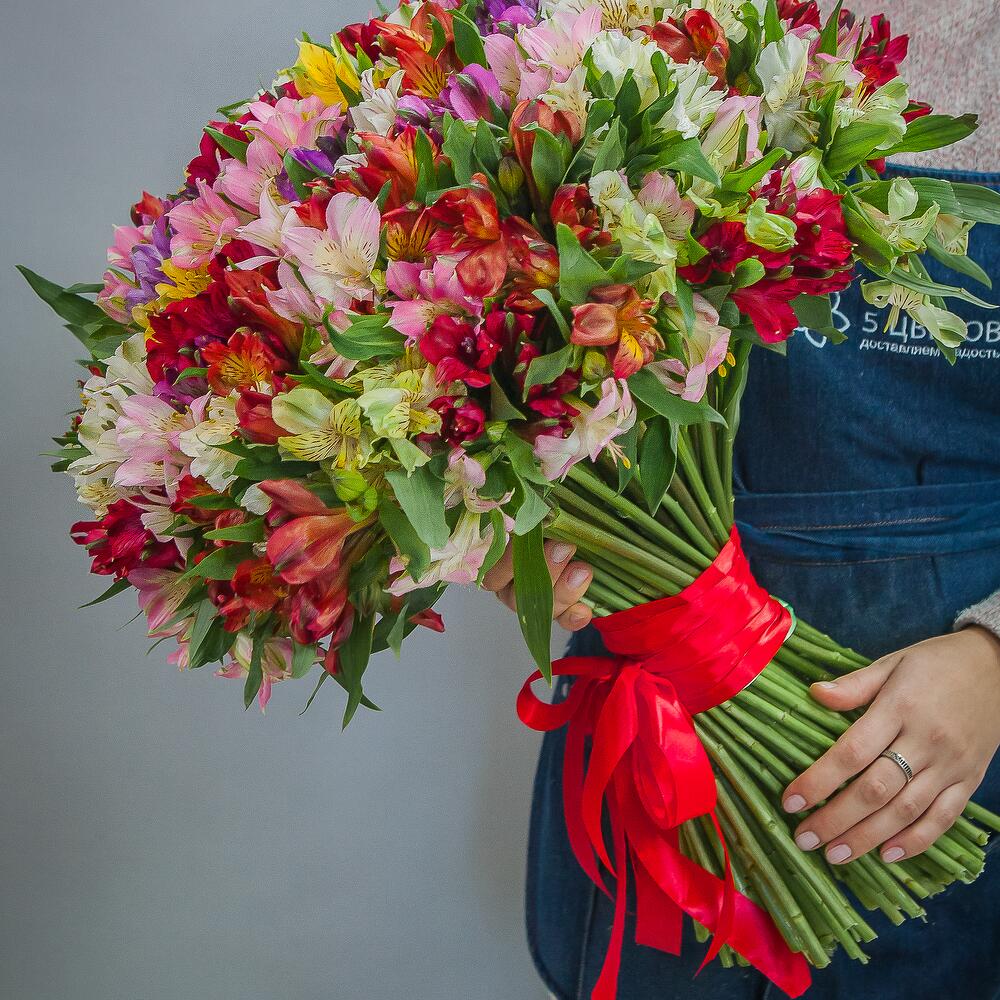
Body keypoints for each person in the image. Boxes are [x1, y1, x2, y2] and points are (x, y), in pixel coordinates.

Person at [483, 2, 1000, 997]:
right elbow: (514, 357)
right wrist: (517, 524)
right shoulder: (606, 23)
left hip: (952, 755)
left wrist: (995, 656)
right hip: (654, 728)